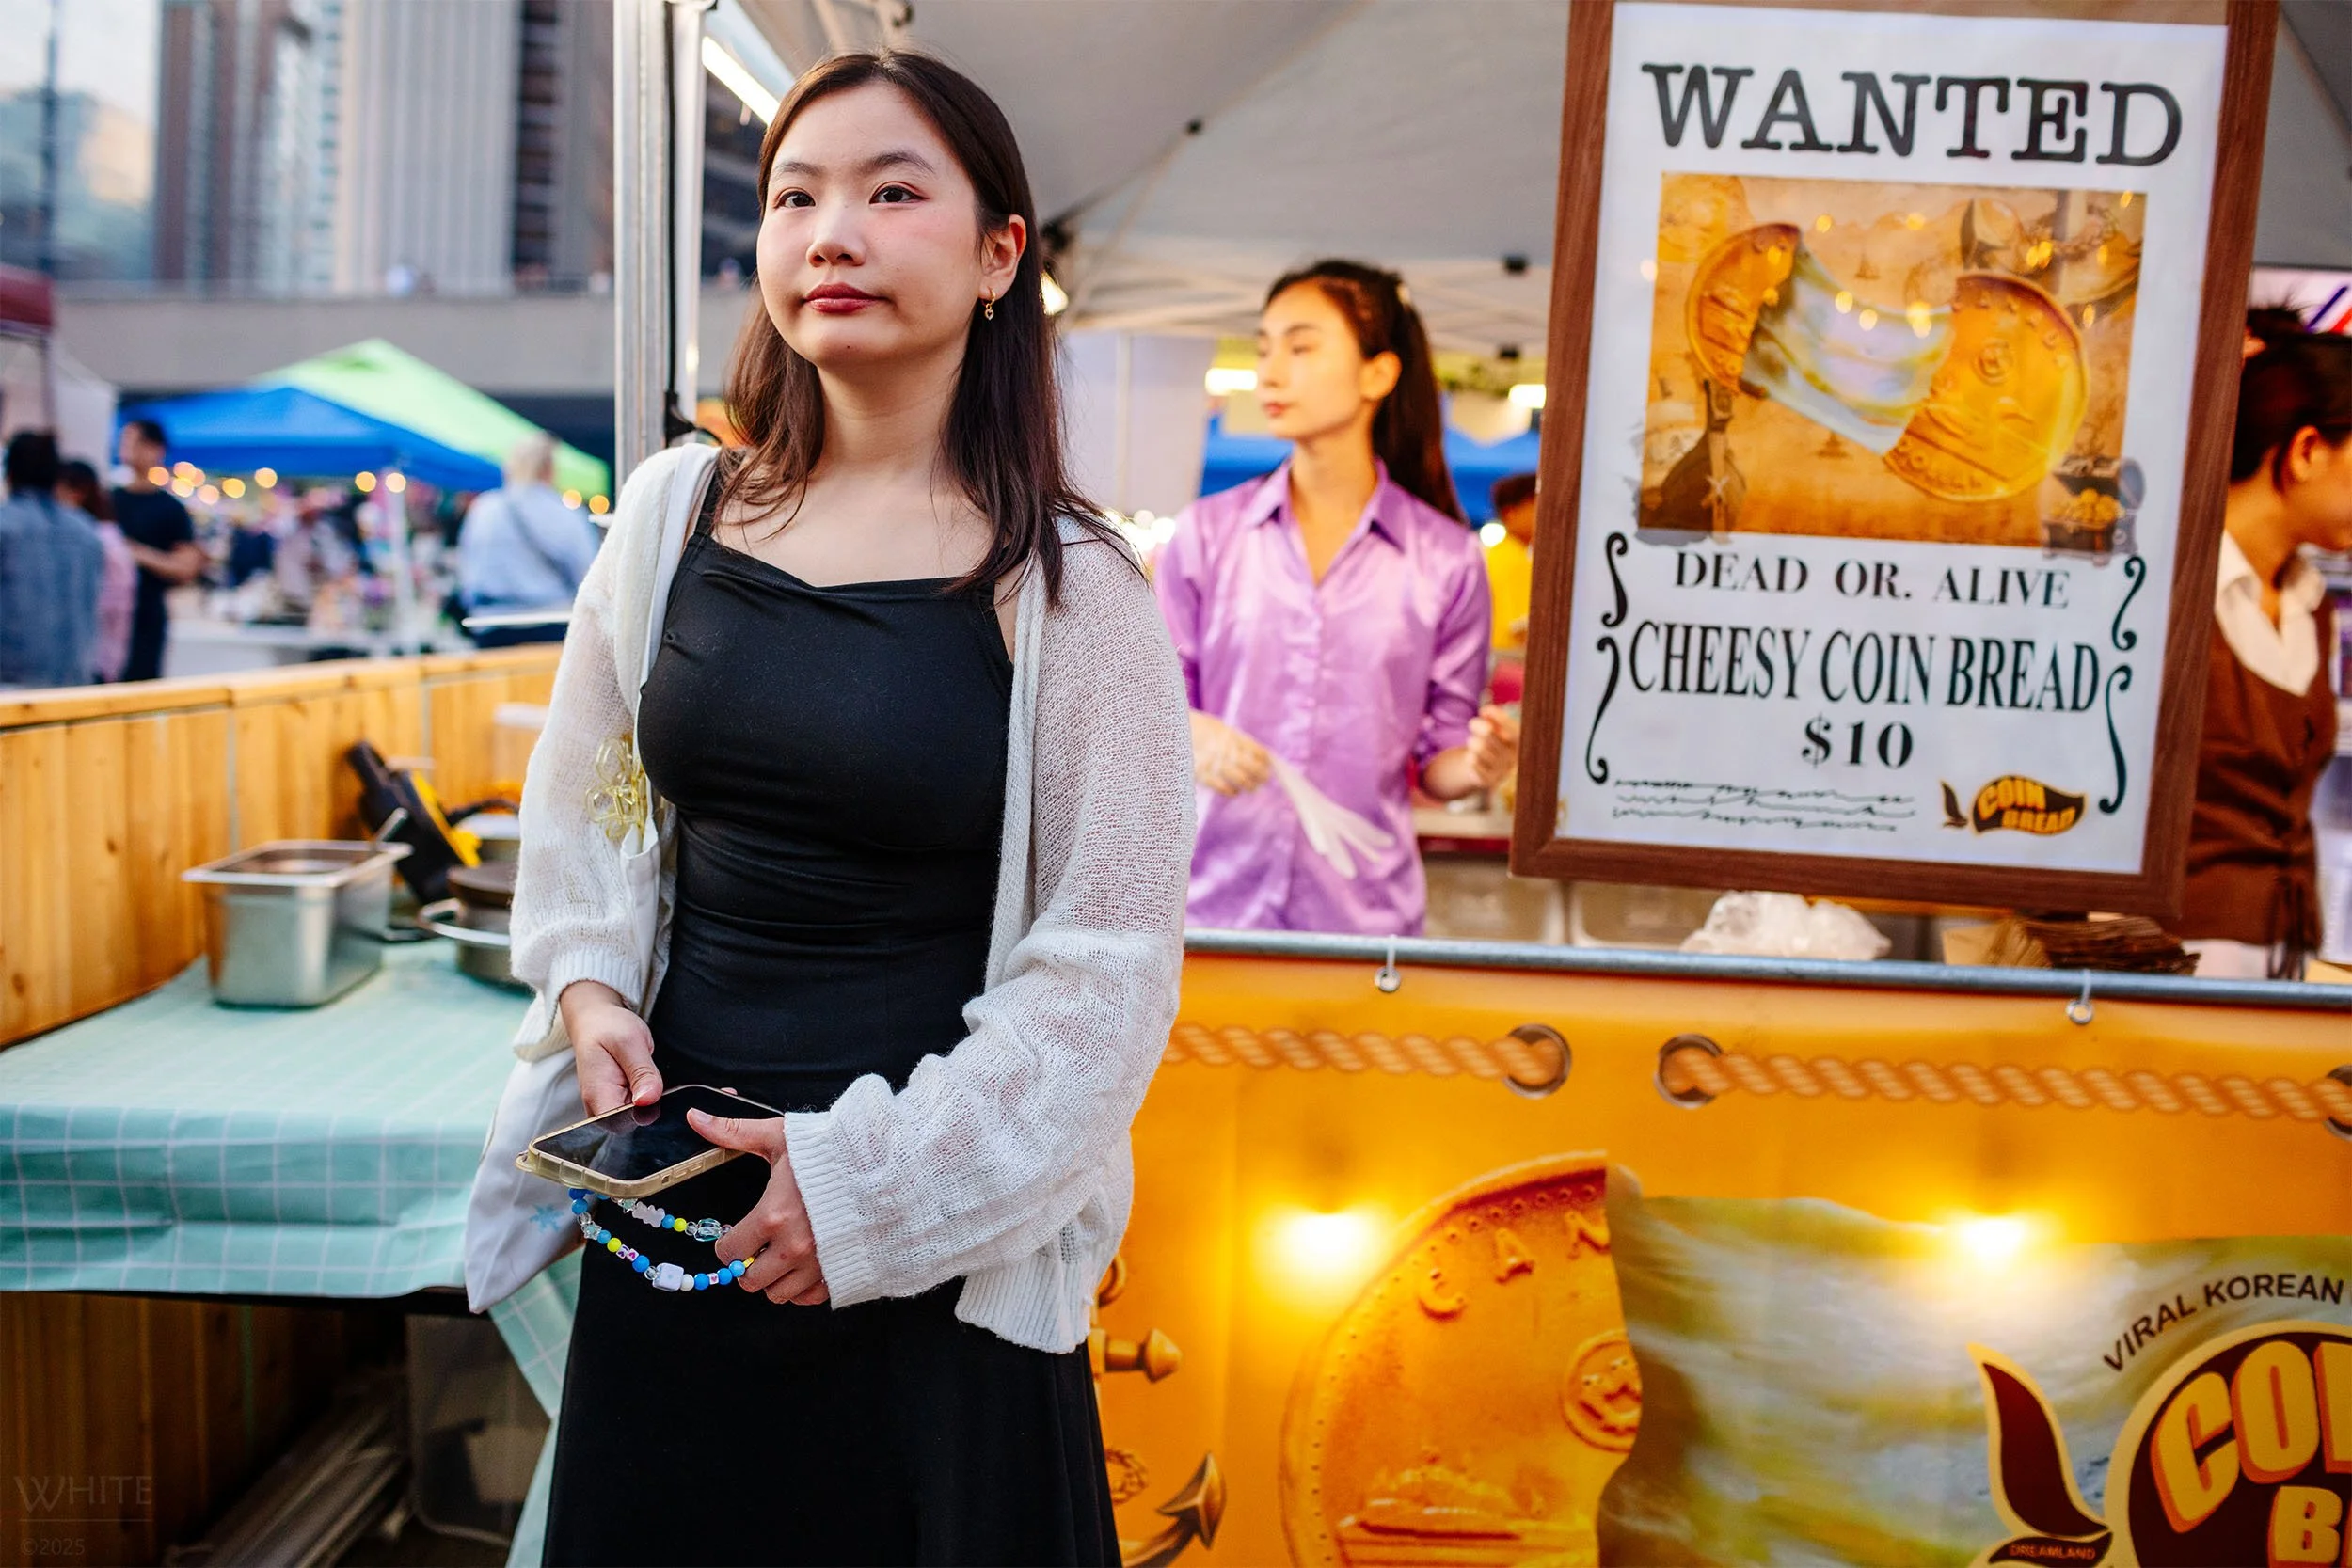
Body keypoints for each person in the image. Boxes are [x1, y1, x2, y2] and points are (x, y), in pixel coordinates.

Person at [494, 51, 1192, 1565]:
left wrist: (872, 1189)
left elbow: (1109, 975)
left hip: (928, 1248)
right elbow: (595, 786)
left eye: (892, 191)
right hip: (680, 1210)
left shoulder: (1076, 589)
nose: (833, 232)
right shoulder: (677, 513)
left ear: (1003, 254)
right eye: (795, 193)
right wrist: (591, 973)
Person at [1154, 260, 1519, 935]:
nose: (1269, 372)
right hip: (1208, 909)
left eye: (1300, 347)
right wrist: (1190, 729)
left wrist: (1478, 764)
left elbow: (1439, 757)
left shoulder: (1447, 558)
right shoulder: (1208, 533)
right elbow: (1146, 706)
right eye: (1264, 348)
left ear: (1378, 373)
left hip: (1364, 922)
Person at [2177, 310, 2351, 978]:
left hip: (2286, 955)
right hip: (2170, 960)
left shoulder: (2312, 604)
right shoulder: (2173, 591)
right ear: (2307, 450)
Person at [455, 432, 601, 645]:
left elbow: (468, 574)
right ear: (549, 468)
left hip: (491, 625)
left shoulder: (485, 508)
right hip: (552, 623)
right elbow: (588, 576)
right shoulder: (564, 512)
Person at [0, 432, 105, 689]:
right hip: (73, 685)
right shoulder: (87, 532)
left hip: (12, 686)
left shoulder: (6, 527)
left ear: (9, 474)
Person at [111, 420, 206, 680]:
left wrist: (135, 553)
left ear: (155, 448)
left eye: (134, 441)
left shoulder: (170, 509)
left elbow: (186, 568)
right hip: (108, 614)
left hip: (145, 617)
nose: (127, 448)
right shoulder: (110, 500)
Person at [56, 459, 136, 683]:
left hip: (93, 659)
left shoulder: (96, 539)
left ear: (77, 492)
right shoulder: (100, 536)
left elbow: (108, 606)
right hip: (98, 657)